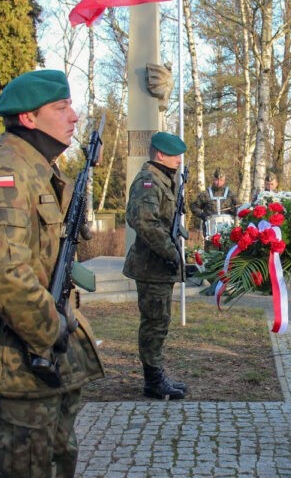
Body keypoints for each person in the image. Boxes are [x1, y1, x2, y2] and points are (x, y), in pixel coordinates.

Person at [0, 69, 104, 477]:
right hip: (21, 359)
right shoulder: (4, 175)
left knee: (57, 459)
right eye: (61, 107)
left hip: (46, 359)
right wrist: (51, 328)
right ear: (28, 118)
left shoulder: (41, 170)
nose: (73, 116)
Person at [123, 131, 190, 399]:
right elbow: (144, 222)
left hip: (160, 265)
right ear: (160, 154)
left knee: (160, 322)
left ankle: (157, 373)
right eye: (175, 155)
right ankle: (153, 381)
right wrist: (172, 252)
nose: (179, 160)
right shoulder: (148, 181)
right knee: (154, 323)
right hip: (152, 265)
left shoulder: (165, 180)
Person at [189, 168, 239, 236]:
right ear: (213, 179)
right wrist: (203, 215)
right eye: (216, 180)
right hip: (210, 231)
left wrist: (234, 210)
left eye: (221, 180)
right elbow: (194, 206)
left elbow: (239, 208)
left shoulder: (230, 194)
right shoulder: (205, 194)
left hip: (227, 232)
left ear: (224, 180)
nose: (218, 182)